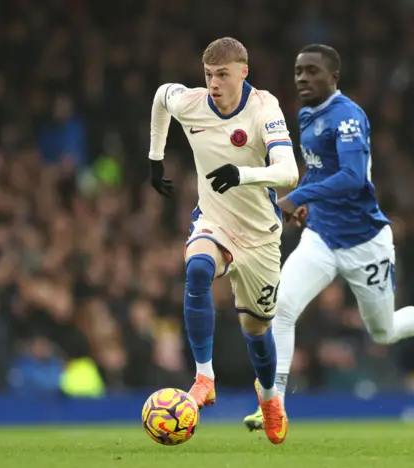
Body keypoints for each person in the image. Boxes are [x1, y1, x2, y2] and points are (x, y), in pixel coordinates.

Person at [243, 44, 414, 431]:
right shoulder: (308, 116)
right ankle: (272, 404)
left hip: (365, 243)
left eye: (312, 71)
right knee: (281, 309)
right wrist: (307, 200)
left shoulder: (348, 117)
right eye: (298, 71)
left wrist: (298, 196)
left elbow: (353, 176)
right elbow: (318, 169)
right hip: (322, 238)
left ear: (334, 78)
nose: (303, 78)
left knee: (383, 330)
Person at [149, 37, 298, 444]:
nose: (214, 83)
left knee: (256, 333)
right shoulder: (193, 103)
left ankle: (268, 398)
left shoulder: (264, 108)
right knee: (197, 269)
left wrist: (244, 174)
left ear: (243, 72)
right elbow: (163, 97)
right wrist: (155, 157)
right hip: (215, 221)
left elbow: (289, 172)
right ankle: (204, 378)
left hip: (261, 236)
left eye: (223, 75)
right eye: (209, 75)